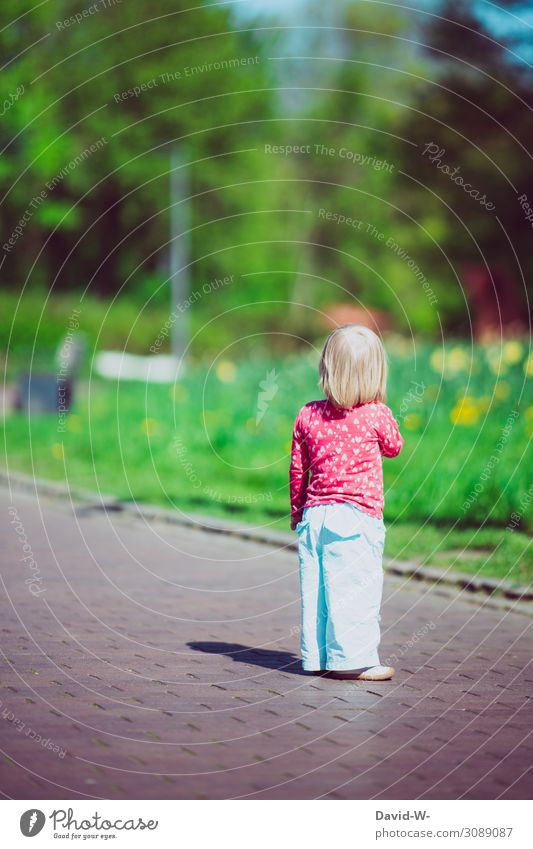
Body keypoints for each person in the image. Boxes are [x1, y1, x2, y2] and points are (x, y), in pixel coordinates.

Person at [289, 324, 403, 681]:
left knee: (318, 591)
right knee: (356, 589)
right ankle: (354, 662)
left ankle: (318, 658)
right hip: (357, 517)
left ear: (327, 369)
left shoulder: (308, 414)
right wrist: (381, 409)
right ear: (375, 373)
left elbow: (297, 469)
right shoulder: (375, 414)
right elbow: (394, 447)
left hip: (315, 517)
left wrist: (297, 512)